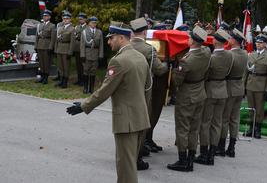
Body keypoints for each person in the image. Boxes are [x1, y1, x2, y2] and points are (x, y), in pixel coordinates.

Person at [66, 24, 151, 183]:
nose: (109, 42)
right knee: (130, 163)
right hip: (140, 118)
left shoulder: (118, 61)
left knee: (125, 167)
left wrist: (84, 106)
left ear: (121, 38)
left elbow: (105, 90)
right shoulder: (141, 57)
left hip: (126, 121)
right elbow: (148, 88)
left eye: (111, 38)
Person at [167, 26, 211, 172]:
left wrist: (175, 68)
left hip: (187, 96)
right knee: (194, 128)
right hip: (200, 93)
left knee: (182, 128)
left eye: (189, 37)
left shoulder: (186, 61)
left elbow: (177, 82)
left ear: (192, 41)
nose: (188, 39)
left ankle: (182, 160)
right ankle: (191, 159)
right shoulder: (206, 52)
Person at [130, 17, 168, 169]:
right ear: (145, 32)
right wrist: (167, 63)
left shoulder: (127, 46)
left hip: (129, 88)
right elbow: (159, 70)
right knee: (142, 122)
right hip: (145, 89)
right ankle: (137, 156)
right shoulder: (148, 49)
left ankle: (130, 151)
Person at [195, 28, 233, 166]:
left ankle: (204, 153)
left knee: (205, 123)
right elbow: (228, 71)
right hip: (222, 90)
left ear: (215, 40)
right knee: (217, 123)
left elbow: (206, 74)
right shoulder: (229, 55)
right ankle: (212, 153)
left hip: (210, 90)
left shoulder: (211, 57)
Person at [220, 28, 248, 157]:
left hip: (230, 87)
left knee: (225, 118)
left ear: (234, 41)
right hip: (239, 88)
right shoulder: (245, 54)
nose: (229, 40)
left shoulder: (230, 54)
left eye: (230, 38)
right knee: (235, 119)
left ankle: (221, 146)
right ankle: (231, 147)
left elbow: (226, 72)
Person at [244, 35, 267, 139]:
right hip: (250, 84)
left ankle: (257, 129)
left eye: (261, 42)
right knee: (251, 108)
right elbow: (246, 72)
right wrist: (244, 85)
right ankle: (250, 128)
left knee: (259, 109)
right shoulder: (251, 55)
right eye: (257, 42)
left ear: (266, 44)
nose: (258, 44)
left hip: (261, 85)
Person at [80, 16, 104, 94]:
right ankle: (85, 88)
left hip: (95, 54)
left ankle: (91, 88)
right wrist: (82, 55)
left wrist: (100, 55)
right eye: (93, 22)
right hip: (87, 53)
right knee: (86, 71)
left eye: (95, 23)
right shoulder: (84, 31)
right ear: (89, 23)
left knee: (93, 71)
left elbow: (101, 45)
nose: (94, 24)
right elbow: (82, 44)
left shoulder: (99, 32)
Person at [34, 9, 56, 84]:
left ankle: (46, 77)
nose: (44, 17)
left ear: (49, 17)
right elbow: (37, 36)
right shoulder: (40, 25)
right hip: (40, 45)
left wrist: (51, 47)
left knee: (46, 63)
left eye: (46, 16)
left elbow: (53, 38)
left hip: (47, 46)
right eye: (44, 16)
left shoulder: (52, 26)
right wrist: (36, 46)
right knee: (41, 63)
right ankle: (42, 76)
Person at [55, 11, 74, 88]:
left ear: (70, 19)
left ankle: (65, 82)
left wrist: (70, 52)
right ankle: (61, 80)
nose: (65, 20)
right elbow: (57, 40)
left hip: (66, 49)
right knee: (60, 66)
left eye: (67, 19)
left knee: (66, 66)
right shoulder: (60, 28)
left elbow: (72, 42)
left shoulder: (72, 29)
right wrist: (56, 49)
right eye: (64, 18)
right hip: (59, 49)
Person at [72, 12, 87, 86]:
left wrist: (78, 36)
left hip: (83, 49)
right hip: (77, 48)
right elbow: (74, 35)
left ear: (85, 19)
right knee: (78, 65)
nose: (80, 20)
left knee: (83, 65)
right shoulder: (76, 27)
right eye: (79, 19)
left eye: (81, 19)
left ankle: (84, 80)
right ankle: (79, 79)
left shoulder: (87, 27)